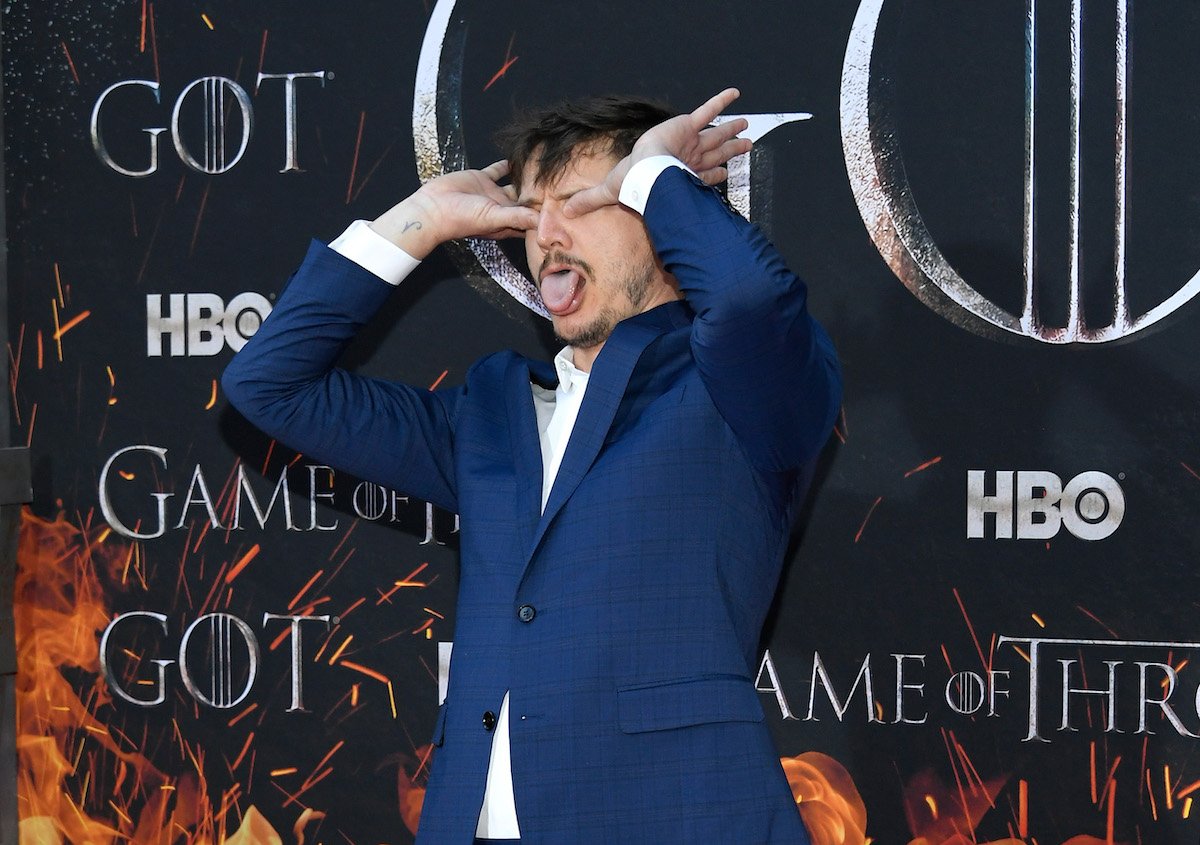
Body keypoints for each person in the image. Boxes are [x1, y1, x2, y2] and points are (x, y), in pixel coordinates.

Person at [223, 88, 841, 844]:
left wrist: (652, 174)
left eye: (584, 202)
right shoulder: (490, 414)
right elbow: (268, 386)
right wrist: (423, 219)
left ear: (664, 226)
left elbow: (747, 299)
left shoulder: (732, 390)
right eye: (531, 207)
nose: (547, 232)